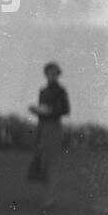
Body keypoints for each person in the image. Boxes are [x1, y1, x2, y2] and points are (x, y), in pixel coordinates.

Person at [27, 62, 70, 207]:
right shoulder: (43, 91)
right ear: (46, 74)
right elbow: (41, 111)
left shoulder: (61, 91)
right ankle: (48, 196)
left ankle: (50, 198)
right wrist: (37, 113)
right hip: (43, 127)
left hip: (54, 128)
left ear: (58, 74)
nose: (52, 75)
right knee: (43, 162)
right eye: (49, 73)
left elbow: (65, 110)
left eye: (55, 73)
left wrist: (50, 111)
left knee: (52, 162)